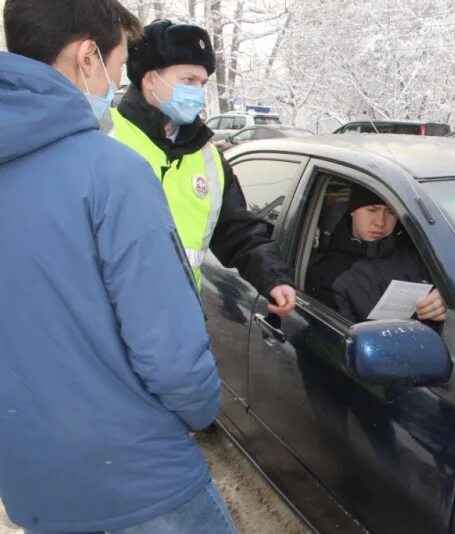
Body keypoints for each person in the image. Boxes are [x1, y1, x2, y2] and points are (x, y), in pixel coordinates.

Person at [0, 2, 236, 533]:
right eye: (118, 64)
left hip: (31, 472)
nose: (116, 81)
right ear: (88, 57)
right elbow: (170, 356)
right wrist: (199, 410)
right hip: (137, 470)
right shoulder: (110, 170)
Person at [112, 19, 295, 315]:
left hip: (178, 320)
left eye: (203, 83)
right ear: (150, 79)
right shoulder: (106, 135)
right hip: (109, 320)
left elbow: (238, 230)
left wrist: (273, 277)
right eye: (188, 80)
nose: (197, 92)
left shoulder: (208, 158)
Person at [307, 185, 447, 323]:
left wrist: (445, 300)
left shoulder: (422, 253)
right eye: (372, 210)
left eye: (391, 212)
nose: (380, 222)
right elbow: (340, 334)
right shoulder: (325, 273)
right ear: (352, 210)